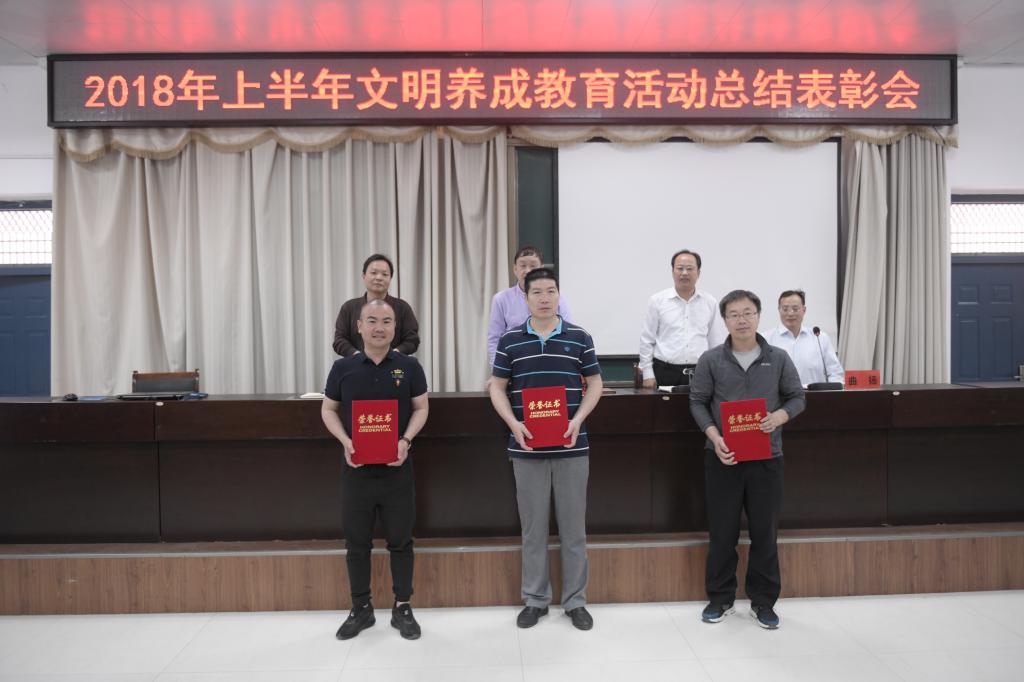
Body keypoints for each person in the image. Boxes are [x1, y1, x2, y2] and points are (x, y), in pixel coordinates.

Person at [488, 267, 603, 631]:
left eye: (551, 291)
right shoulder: (510, 341)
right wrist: (514, 424)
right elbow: (497, 387)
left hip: (572, 446)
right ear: (525, 298)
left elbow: (596, 383)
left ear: (558, 295)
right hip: (526, 448)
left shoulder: (579, 337)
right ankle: (535, 600)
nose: (544, 298)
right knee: (533, 529)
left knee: (574, 529)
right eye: (536, 292)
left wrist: (578, 419)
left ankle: (575, 602)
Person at [689, 290, 805, 630]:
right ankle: (720, 598)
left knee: (765, 533)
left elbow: (797, 397)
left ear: (758, 316)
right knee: (722, 533)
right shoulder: (711, 359)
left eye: (748, 313)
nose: (742, 320)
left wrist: (779, 417)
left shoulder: (778, 358)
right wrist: (715, 437)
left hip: (767, 458)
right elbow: (697, 402)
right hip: (722, 458)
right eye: (734, 314)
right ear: (725, 320)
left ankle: (763, 602)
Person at [321, 299, 429, 640]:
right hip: (357, 471)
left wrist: (406, 440)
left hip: (398, 470)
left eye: (386, 321)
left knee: (401, 541)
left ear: (395, 328)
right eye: (372, 321)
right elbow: (328, 410)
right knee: (357, 543)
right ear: (359, 326)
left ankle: (403, 607)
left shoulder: (409, 367)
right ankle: (361, 608)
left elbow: (421, 407)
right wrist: (345, 441)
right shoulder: (343, 368)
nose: (379, 327)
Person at [638, 249, 727, 387]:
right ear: (673, 272)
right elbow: (647, 340)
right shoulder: (657, 301)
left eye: (690, 268)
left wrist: (717, 372)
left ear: (698, 273)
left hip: (701, 371)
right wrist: (647, 374)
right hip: (665, 371)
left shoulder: (710, 302)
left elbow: (715, 341)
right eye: (680, 268)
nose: (684, 273)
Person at [487, 245, 573, 368]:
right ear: (515, 269)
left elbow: (568, 331)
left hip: (553, 361)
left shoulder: (557, 296)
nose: (527, 270)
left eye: (533, 266)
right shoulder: (501, 299)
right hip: (515, 364)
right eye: (522, 266)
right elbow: (495, 339)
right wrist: (497, 370)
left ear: (541, 269)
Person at [333, 254, 420, 356]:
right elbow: (339, 340)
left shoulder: (403, 308)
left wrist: (393, 356)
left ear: (390, 278)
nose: (379, 278)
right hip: (356, 363)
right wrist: (358, 357)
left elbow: (412, 340)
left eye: (384, 274)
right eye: (374, 273)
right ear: (364, 276)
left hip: (394, 363)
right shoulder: (349, 307)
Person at [765, 289, 845, 386]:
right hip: (779, 395)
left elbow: (835, 373)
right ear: (779, 310)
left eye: (795, 309)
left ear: (804, 310)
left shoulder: (820, 338)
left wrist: (832, 391)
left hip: (815, 394)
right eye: (785, 309)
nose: (790, 313)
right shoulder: (766, 339)